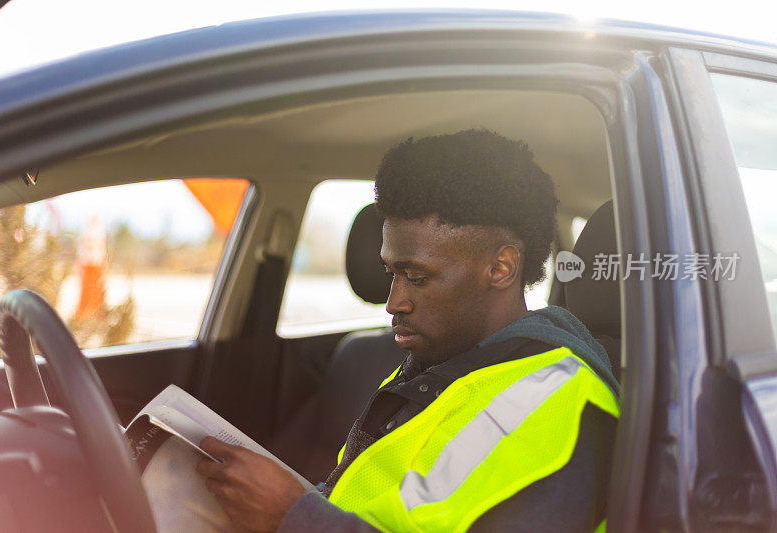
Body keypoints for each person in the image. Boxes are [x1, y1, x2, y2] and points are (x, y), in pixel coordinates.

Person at [196, 129, 620, 532]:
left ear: (501, 267)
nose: (394, 301)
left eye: (416, 277)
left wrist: (292, 517)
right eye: (391, 273)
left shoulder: (558, 402)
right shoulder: (435, 370)